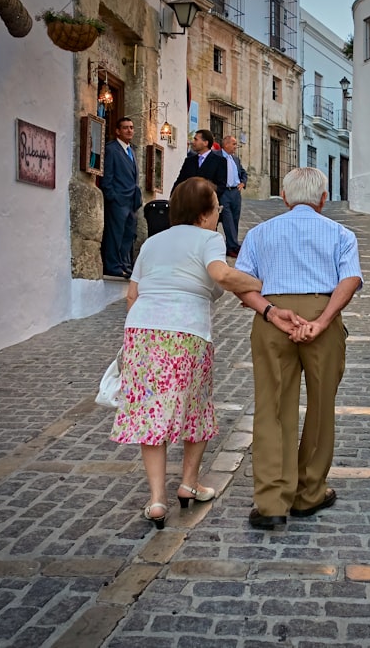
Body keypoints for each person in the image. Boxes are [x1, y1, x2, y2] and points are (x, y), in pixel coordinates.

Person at [109, 177, 262, 530]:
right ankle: (189, 483)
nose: (219, 214)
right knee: (196, 406)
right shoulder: (209, 239)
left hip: (142, 331)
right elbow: (220, 274)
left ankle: (157, 499)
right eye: (217, 209)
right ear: (206, 213)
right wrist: (257, 284)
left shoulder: (153, 241)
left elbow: (132, 294)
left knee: (150, 414)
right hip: (186, 332)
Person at [235, 167, 363, 529]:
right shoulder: (340, 233)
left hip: (274, 319)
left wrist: (271, 313)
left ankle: (272, 501)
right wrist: (321, 322)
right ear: (323, 198)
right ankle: (309, 493)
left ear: (287, 198)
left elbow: (244, 285)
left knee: (272, 407)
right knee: (322, 407)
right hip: (323, 314)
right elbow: (350, 279)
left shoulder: (260, 233)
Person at [101, 117, 141, 278]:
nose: (129, 130)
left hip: (131, 201)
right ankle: (112, 265)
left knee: (128, 235)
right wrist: (112, 196)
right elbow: (107, 176)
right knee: (114, 234)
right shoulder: (112, 149)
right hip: (118, 200)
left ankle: (124, 264)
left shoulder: (132, 150)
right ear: (117, 131)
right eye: (125, 128)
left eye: (131, 127)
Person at [173, 129, 227, 197]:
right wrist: (172, 199)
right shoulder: (189, 161)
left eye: (196, 139)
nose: (193, 142)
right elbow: (179, 182)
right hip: (188, 203)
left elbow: (221, 187)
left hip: (208, 203)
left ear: (205, 143)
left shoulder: (219, 161)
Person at [219, 135, 248, 257]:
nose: (236, 146)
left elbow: (243, 172)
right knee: (228, 219)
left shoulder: (235, 159)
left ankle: (232, 246)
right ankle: (233, 246)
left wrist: (243, 183)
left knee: (235, 219)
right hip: (224, 192)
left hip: (235, 193)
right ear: (226, 144)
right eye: (234, 144)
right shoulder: (217, 157)